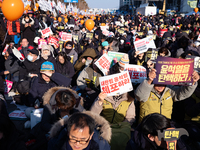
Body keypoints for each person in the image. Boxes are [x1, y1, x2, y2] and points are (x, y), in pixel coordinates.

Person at [135, 68, 199, 123]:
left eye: (163, 83)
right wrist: (149, 81)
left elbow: (183, 94)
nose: (160, 85)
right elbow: (140, 96)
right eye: (158, 83)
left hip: (165, 126)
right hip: (147, 127)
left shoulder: (169, 90)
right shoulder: (147, 89)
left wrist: (192, 82)